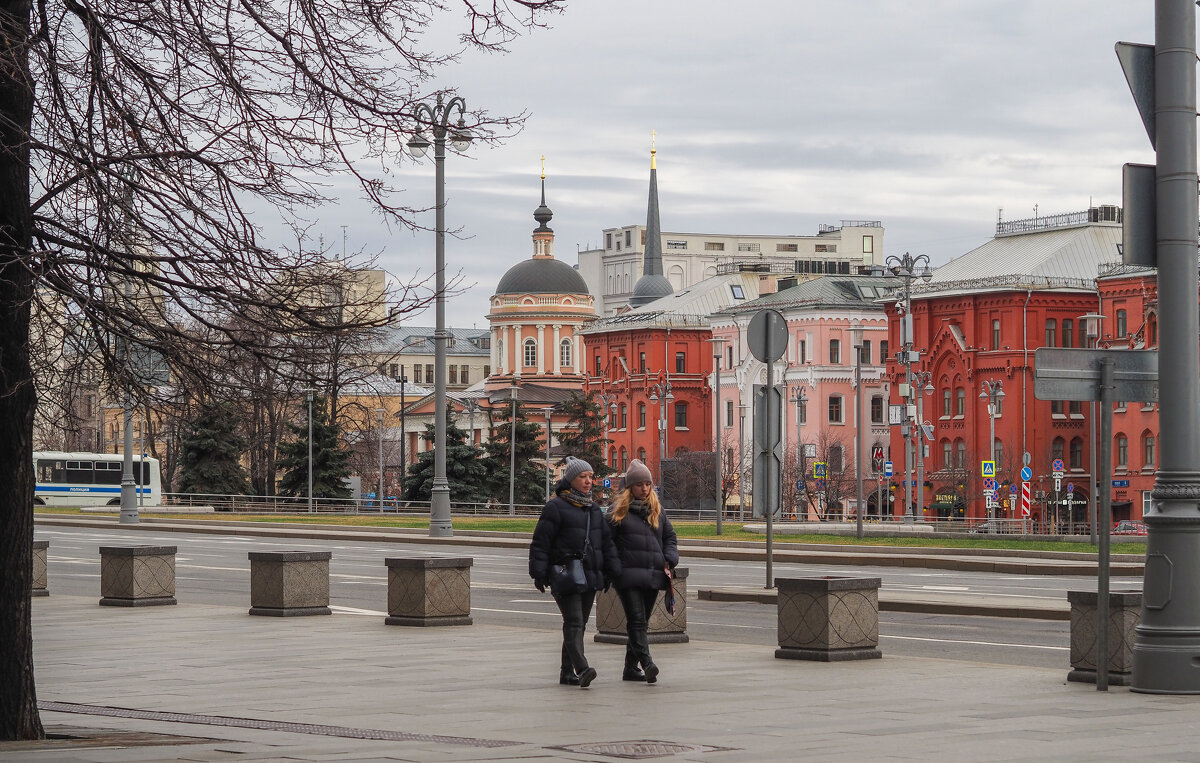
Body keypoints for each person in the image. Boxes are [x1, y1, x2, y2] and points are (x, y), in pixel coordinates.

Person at [529, 457, 620, 688]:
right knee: (574, 622)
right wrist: (539, 573)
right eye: (583, 477)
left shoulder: (593, 509)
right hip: (565, 573)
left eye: (590, 476)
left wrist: (610, 570)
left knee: (578, 624)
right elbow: (541, 542)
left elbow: (605, 543)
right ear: (571, 479)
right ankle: (583, 668)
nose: (588, 481)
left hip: (589, 574)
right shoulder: (555, 507)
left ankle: (566, 673)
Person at [607, 459, 678, 684]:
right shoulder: (617, 511)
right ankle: (647, 664)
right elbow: (606, 543)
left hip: (652, 574)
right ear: (630, 487)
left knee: (642, 622)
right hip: (627, 576)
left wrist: (670, 558)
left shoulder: (657, 510)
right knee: (636, 620)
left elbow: (670, 538)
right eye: (640, 485)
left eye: (648, 484)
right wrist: (615, 566)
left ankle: (630, 668)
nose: (645, 489)